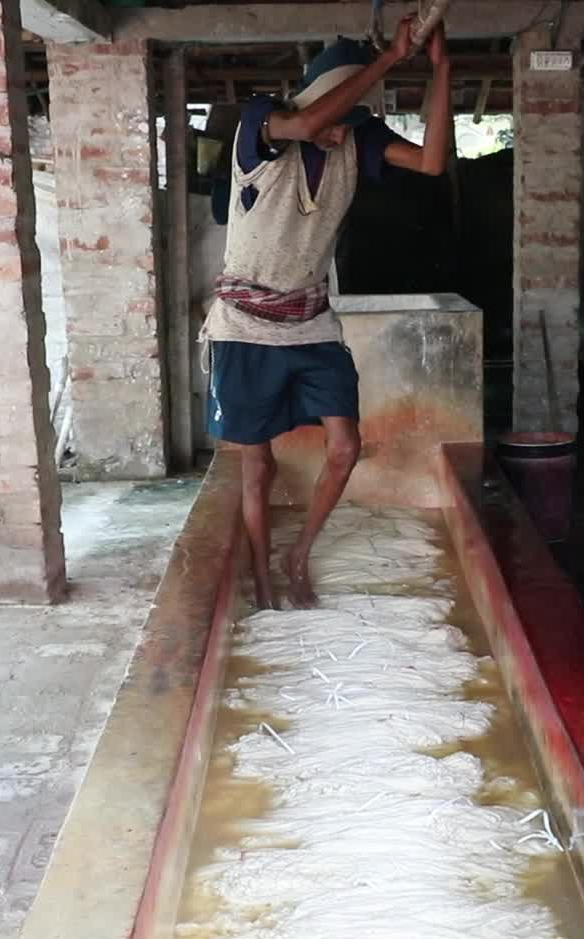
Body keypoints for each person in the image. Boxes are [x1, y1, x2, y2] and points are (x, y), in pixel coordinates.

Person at [202, 21, 452, 609]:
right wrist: (393, 55)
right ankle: (263, 577)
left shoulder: (355, 141)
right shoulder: (260, 125)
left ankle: (299, 554)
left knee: (344, 445)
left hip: (311, 323)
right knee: (256, 466)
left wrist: (441, 68)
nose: (340, 128)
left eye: (354, 116)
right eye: (340, 110)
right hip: (242, 326)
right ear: (311, 99)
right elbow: (311, 124)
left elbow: (434, 161)